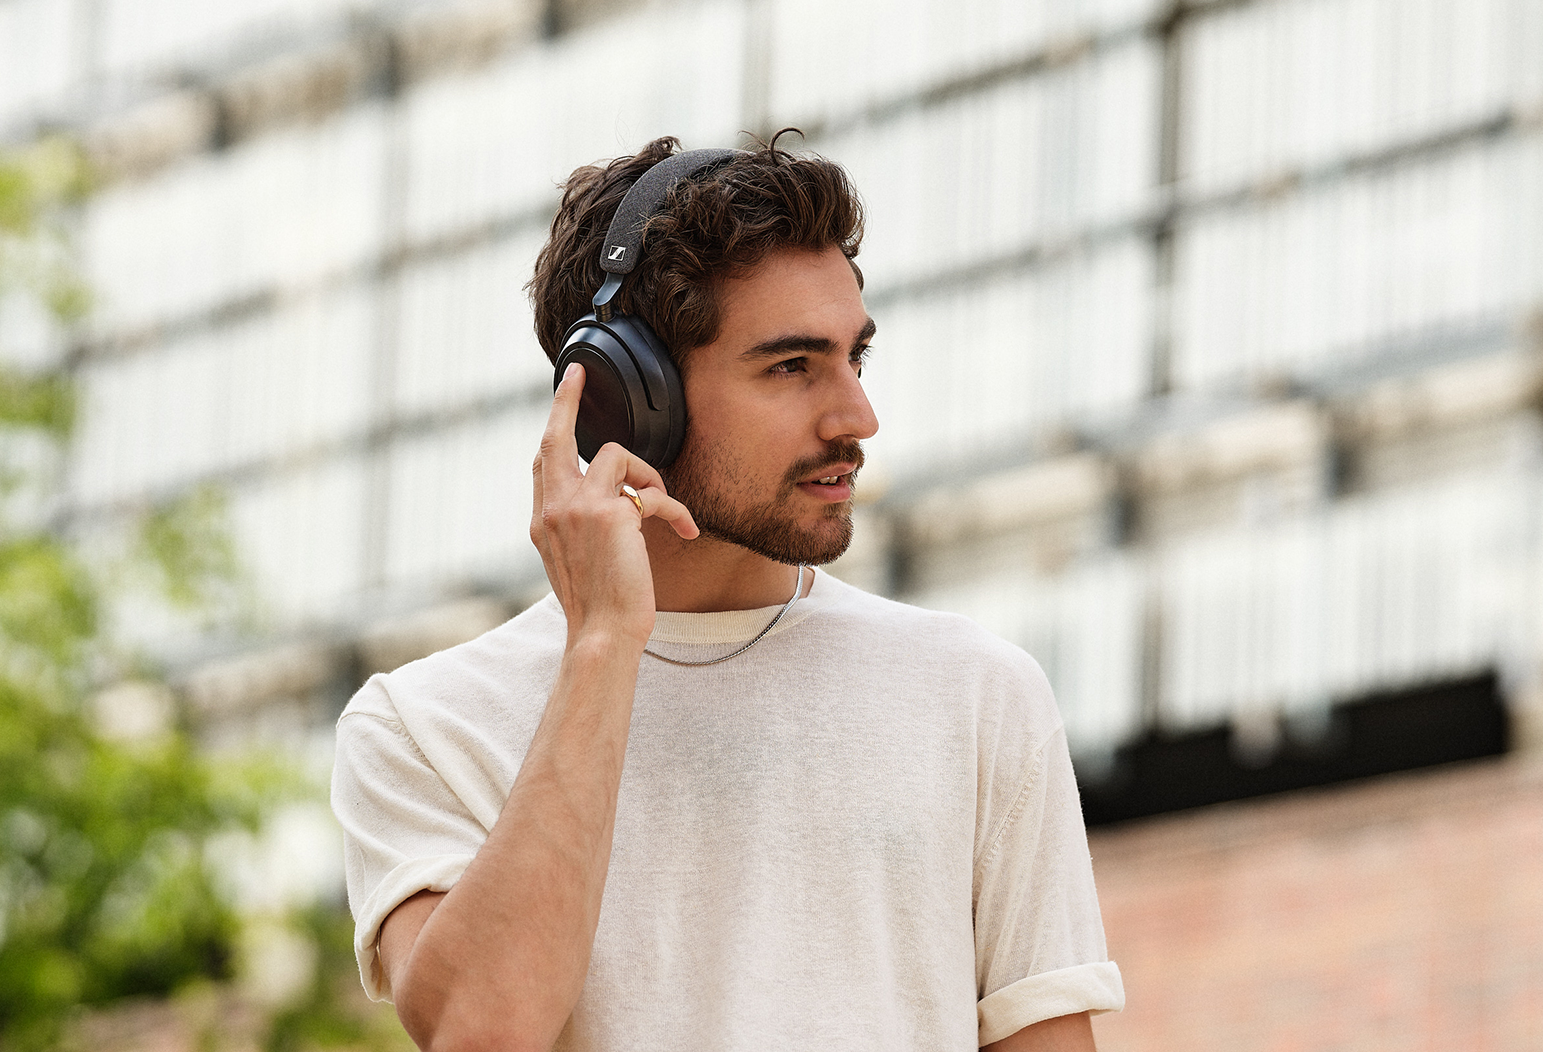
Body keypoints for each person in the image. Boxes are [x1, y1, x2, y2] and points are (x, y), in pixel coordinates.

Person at [331, 135, 1124, 1052]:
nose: (856, 419)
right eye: (792, 366)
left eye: (853, 358)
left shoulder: (980, 693)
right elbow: (483, 1032)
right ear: (628, 400)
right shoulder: (423, 727)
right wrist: (602, 648)